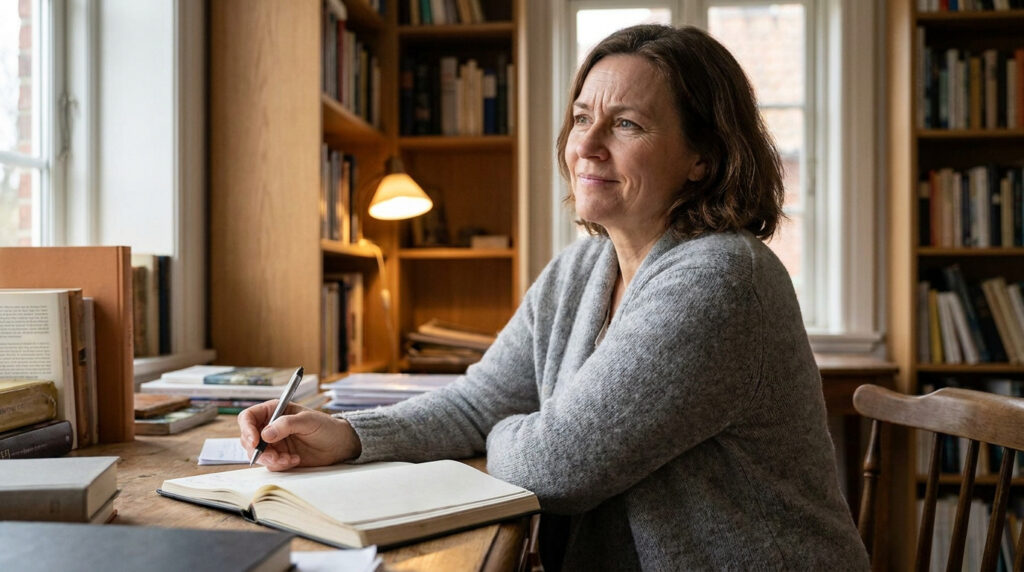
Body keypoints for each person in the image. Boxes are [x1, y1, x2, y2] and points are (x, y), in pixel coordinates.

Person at [239, 24, 869, 570]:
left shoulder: (722, 278)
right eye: (581, 118)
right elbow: (476, 403)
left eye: (626, 124)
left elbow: (558, 466)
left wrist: (511, 431)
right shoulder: (581, 269)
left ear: (701, 158)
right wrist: (345, 435)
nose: (586, 146)